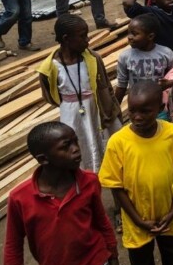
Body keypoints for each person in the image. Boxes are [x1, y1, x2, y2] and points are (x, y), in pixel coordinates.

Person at [3, 121, 119, 265]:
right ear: (44, 159)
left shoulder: (88, 181)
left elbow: (101, 221)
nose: (76, 150)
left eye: (75, 142)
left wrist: (112, 254)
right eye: (66, 146)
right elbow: (13, 246)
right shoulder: (20, 198)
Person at [99, 81, 173, 265]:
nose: (137, 117)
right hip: (137, 221)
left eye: (145, 111)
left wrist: (172, 211)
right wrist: (138, 220)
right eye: (133, 110)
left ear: (160, 106)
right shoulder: (118, 142)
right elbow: (115, 186)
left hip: (171, 216)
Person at [38, 15, 121, 173]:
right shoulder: (50, 67)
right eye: (82, 36)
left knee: (101, 139)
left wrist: (111, 109)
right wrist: (70, 103)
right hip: (71, 112)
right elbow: (50, 95)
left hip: (97, 107)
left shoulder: (93, 59)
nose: (87, 40)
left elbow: (105, 86)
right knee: (79, 142)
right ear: (66, 38)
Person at [115, 14, 173, 103]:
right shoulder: (125, 56)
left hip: (161, 103)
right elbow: (121, 85)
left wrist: (169, 83)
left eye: (135, 34)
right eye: (128, 33)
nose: (129, 37)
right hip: (136, 103)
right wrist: (117, 109)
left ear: (150, 36)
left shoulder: (166, 53)